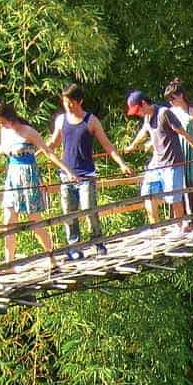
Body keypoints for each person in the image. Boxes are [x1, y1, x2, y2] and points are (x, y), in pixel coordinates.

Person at [0, 102, 69, 266]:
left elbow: (47, 151)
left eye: (1, 121)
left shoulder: (27, 131)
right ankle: (10, 263)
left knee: (35, 220)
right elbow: (3, 149)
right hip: (12, 177)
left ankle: (52, 258)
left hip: (28, 177)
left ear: (9, 118)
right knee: (9, 220)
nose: (0, 125)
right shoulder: (5, 132)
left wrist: (67, 171)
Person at [47, 83, 131, 259]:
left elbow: (107, 145)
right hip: (66, 175)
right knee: (69, 213)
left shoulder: (91, 120)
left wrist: (121, 163)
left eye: (71, 102)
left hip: (86, 174)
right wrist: (40, 151)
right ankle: (74, 248)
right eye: (65, 102)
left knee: (88, 210)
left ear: (79, 101)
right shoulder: (61, 120)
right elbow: (53, 144)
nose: (68, 106)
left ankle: (98, 243)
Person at [127, 83, 193, 224]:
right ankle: (156, 227)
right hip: (157, 163)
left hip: (173, 162)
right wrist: (133, 145)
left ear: (144, 103)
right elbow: (144, 132)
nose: (137, 114)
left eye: (137, 110)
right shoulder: (147, 117)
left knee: (174, 198)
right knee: (148, 193)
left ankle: (181, 226)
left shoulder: (164, 113)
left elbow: (183, 133)